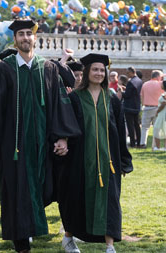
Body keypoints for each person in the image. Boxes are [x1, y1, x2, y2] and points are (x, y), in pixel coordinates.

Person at [0, 19, 81, 253]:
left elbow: (59, 104)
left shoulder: (48, 68)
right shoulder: (4, 69)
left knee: (43, 188)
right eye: (21, 34)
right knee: (15, 188)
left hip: (41, 144)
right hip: (12, 145)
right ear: (15, 39)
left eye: (29, 34)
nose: (25, 38)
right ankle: (21, 240)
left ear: (35, 38)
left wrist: (62, 137)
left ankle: (31, 229)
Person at [57, 53, 133, 253]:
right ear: (87, 71)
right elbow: (66, 125)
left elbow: (119, 130)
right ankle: (68, 238)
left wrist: (124, 160)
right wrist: (63, 140)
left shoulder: (112, 99)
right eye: (95, 69)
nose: (99, 73)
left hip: (109, 161)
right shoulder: (74, 98)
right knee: (76, 199)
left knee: (110, 202)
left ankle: (110, 246)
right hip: (80, 159)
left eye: (102, 70)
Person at [139, 70, 164, 148]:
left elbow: (141, 96)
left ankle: (143, 143)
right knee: (156, 127)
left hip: (146, 107)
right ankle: (155, 144)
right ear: (158, 76)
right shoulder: (160, 84)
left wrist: (143, 104)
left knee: (144, 127)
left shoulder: (145, 84)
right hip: (157, 108)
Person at [122, 67, 143, 147]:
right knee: (137, 125)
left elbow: (127, 95)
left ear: (131, 72)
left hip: (129, 106)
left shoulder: (131, 82)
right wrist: (126, 89)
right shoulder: (139, 80)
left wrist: (121, 92)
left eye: (128, 73)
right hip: (136, 105)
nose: (127, 75)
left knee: (130, 125)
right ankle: (139, 141)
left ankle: (132, 143)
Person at [153, 76, 166, 151]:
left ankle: (158, 147)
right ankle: (165, 146)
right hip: (164, 113)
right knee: (164, 129)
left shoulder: (165, 94)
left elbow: (163, 103)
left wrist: (157, 111)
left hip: (162, 113)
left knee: (157, 129)